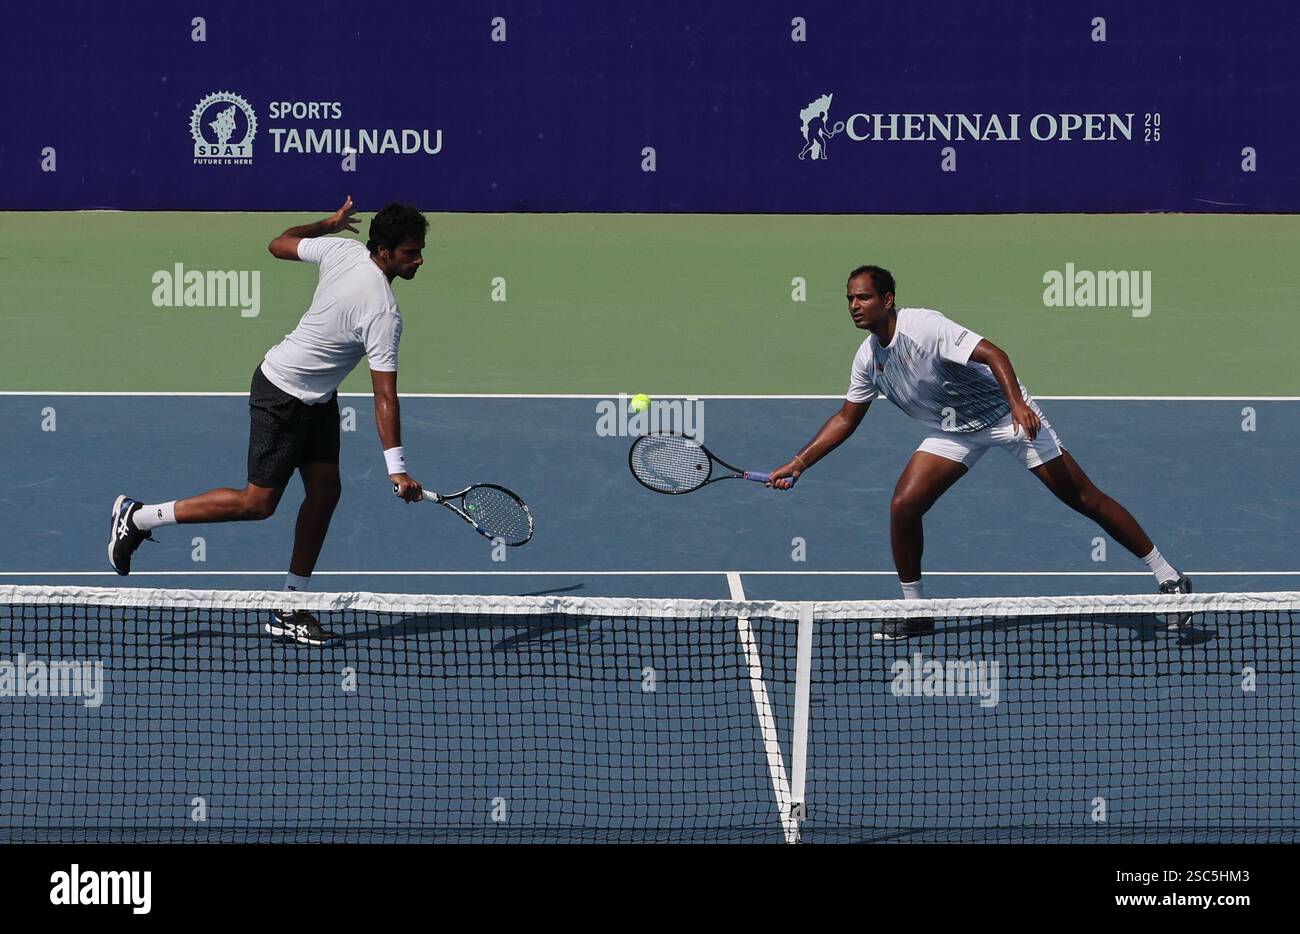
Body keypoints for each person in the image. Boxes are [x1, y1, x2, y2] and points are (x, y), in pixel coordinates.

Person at [767, 265, 1192, 638]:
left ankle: (1169, 577)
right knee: (904, 505)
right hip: (952, 430)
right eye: (849, 299)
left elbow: (993, 353)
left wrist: (1018, 405)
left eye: (862, 297)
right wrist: (800, 463)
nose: (854, 306)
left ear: (887, 299)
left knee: (1082, 497)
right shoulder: (868, 358)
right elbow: (846, 418)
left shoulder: (925, 327)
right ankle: (917, 612)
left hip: (1005, 417)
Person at [108, 197, 429, 644]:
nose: (419, 260)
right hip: (281, 393)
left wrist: (328, 224)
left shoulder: (341, 249)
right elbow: (384, 395)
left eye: (420, 251)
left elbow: (279, 244)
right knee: (257, 504)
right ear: (383, 251)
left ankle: (291, 606)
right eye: (410, 252)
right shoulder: (382, 311)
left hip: (317, 398)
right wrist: (397, 468)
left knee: (325, 492)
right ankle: (140, 517)